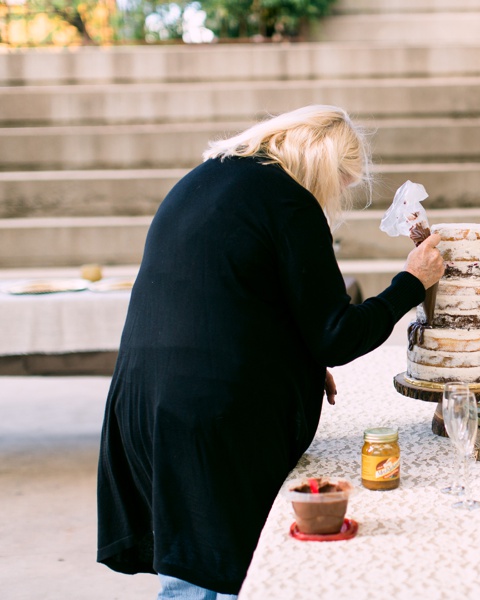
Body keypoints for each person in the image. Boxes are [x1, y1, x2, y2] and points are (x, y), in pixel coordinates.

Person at [96, 105, 444, 599]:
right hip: (214, 415)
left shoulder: (203, 179)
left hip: (142, 400)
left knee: (190, 566)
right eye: (343, 178)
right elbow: (337, 335)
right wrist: (411, 282)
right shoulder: (287, 201)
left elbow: (230, 298)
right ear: (323, 163)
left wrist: (297, 358)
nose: (339, 191)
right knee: (224, 577)